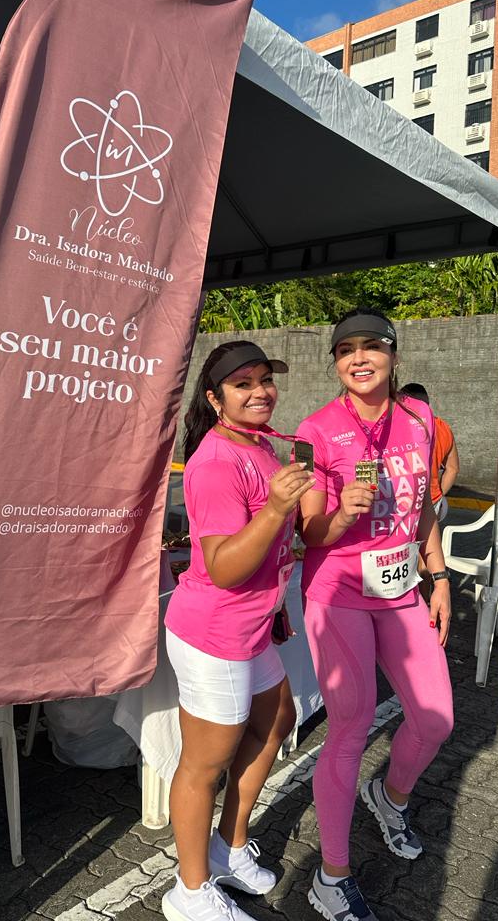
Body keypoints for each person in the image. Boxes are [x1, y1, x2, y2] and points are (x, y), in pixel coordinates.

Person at [296, 308, 454, 921]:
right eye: (344, 351)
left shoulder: (419, 418)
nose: (358, 359)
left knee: (435, 718)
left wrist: (437, 576)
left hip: (401, 590)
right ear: (335, 363)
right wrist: (341, 515)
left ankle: (388, 798)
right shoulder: (317, 429)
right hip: (338, 592)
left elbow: (423, 511)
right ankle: (331, 877)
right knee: (352, 727)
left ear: (393, 355)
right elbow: (311, 533)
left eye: (371, 347)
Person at [162, 340, 316, 921]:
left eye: (264, 380)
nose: (259, 392)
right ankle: (190, 891)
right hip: (214, 632)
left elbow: (284, 542)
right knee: (204, 764)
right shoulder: (216, 461)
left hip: (253, 626)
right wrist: (275, 510)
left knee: (278, 718)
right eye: (243, 384)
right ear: (215, 397)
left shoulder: (261, 447)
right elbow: (224, 566)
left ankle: (227, 848)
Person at [399, 382, 459, 523]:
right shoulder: (442, 427)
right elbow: (453, 469)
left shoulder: (399, 427)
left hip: (404, 503)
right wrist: (438, 494)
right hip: (433, 500)